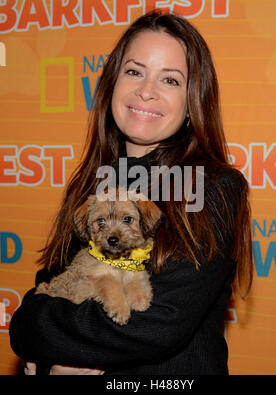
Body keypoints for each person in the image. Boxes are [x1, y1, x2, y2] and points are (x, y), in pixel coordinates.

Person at [9, 10, 253, 375]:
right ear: (111, 85)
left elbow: (158, 324)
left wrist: (60, 348)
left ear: (192, 103)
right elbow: (45, 294)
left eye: (170, 80)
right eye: (134, 71)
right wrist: (36, 332)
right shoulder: (91, 184)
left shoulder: (211, 186)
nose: (146, 90)